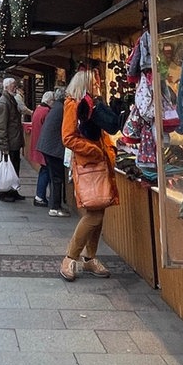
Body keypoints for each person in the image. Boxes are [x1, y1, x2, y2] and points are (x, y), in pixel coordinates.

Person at [59, 66, 118, 281]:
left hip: (99, 165)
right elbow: (68, 137)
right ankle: (70, 257)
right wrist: (94, 151)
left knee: (98, 212)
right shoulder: (73, 104)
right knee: (95, 214)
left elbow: (100, 133)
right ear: (85, 83)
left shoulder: (92, 105)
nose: (98, 84)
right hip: (88, 166)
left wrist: (108, 149)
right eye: (94, 82)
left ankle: (89, 258)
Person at [0, 76, 30, 202]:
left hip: (14, 141)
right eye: (14, 86)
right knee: (8, 169)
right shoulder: (4, 102)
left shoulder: (11, 100)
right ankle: (5, 192)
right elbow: (1, 126)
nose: (16, 88)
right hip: (9, 143)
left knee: (14, 168)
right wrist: (3, 146)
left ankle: (13, 191)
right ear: (7, 87)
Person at [37, 82, 70, 217]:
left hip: (48, 146)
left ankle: (54, 204)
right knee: (57, 177)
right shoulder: (62, 108)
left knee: (53, 175)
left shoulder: (56, 107)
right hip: (53, 148)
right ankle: (55, 207)